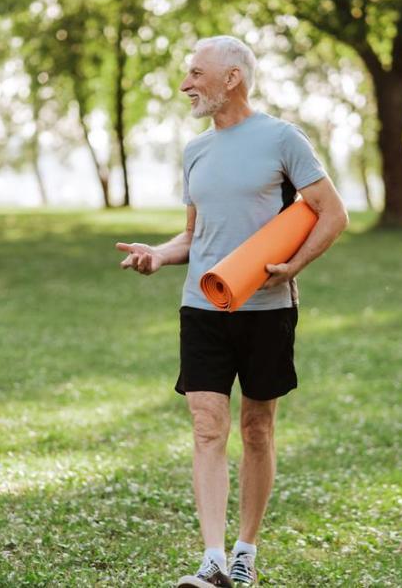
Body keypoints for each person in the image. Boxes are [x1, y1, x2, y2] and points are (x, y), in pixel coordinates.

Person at [116, 35, 348, 587]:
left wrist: (294, 266)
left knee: (257, 428)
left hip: (266, 308)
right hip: (202, 306)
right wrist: (159, 254)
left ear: (232, 78)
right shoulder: (195, 151)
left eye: (196, 73)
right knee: (206, 426)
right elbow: (194, 236)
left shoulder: (283, 139)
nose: (185, 85)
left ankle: (246, 550)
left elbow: (332, 213)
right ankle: (213, 559)